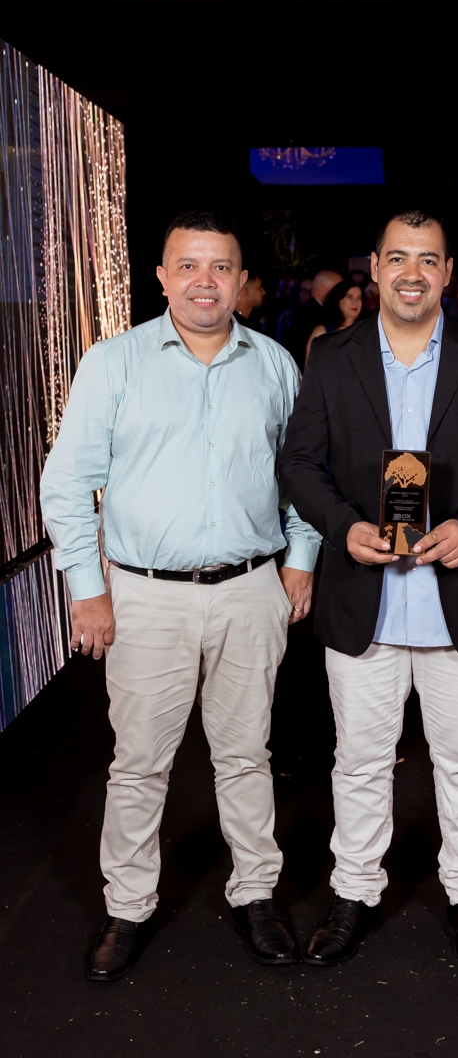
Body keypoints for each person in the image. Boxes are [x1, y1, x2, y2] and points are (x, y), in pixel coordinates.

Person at [40, 209, 321, 981]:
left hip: (251, 590)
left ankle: (255, 894)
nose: (205, 281)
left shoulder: (274, 366)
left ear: (242, 281)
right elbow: (66, 484)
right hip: (145, 596)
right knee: (138, 764)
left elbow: (305, 476)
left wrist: (301, 559)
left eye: (220, 267)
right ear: (161, 277)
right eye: (188, 266)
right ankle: (127, 908)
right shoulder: (114, 362)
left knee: (246, 755)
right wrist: (87, 589)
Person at [281, 209, 458, 968]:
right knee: (360, 762)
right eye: (398, 257)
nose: (412, 273)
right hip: (363, 598)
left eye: (428, 260)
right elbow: (300, 463)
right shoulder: (333, 357)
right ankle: (354, 893)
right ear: (374, 266)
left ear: (448, 273)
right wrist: (341, 526)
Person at [281, 269, 343, 365]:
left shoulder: (311, 310)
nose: (341, 294)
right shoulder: (313, 313)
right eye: (338, 289)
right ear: (322, 289)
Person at [304, 279, 363, 365]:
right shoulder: (322, 332)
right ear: (338, 300)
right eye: (349, 297)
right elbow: (310, 368)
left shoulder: (367, 330)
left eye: (359, 298)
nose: (355, 302)